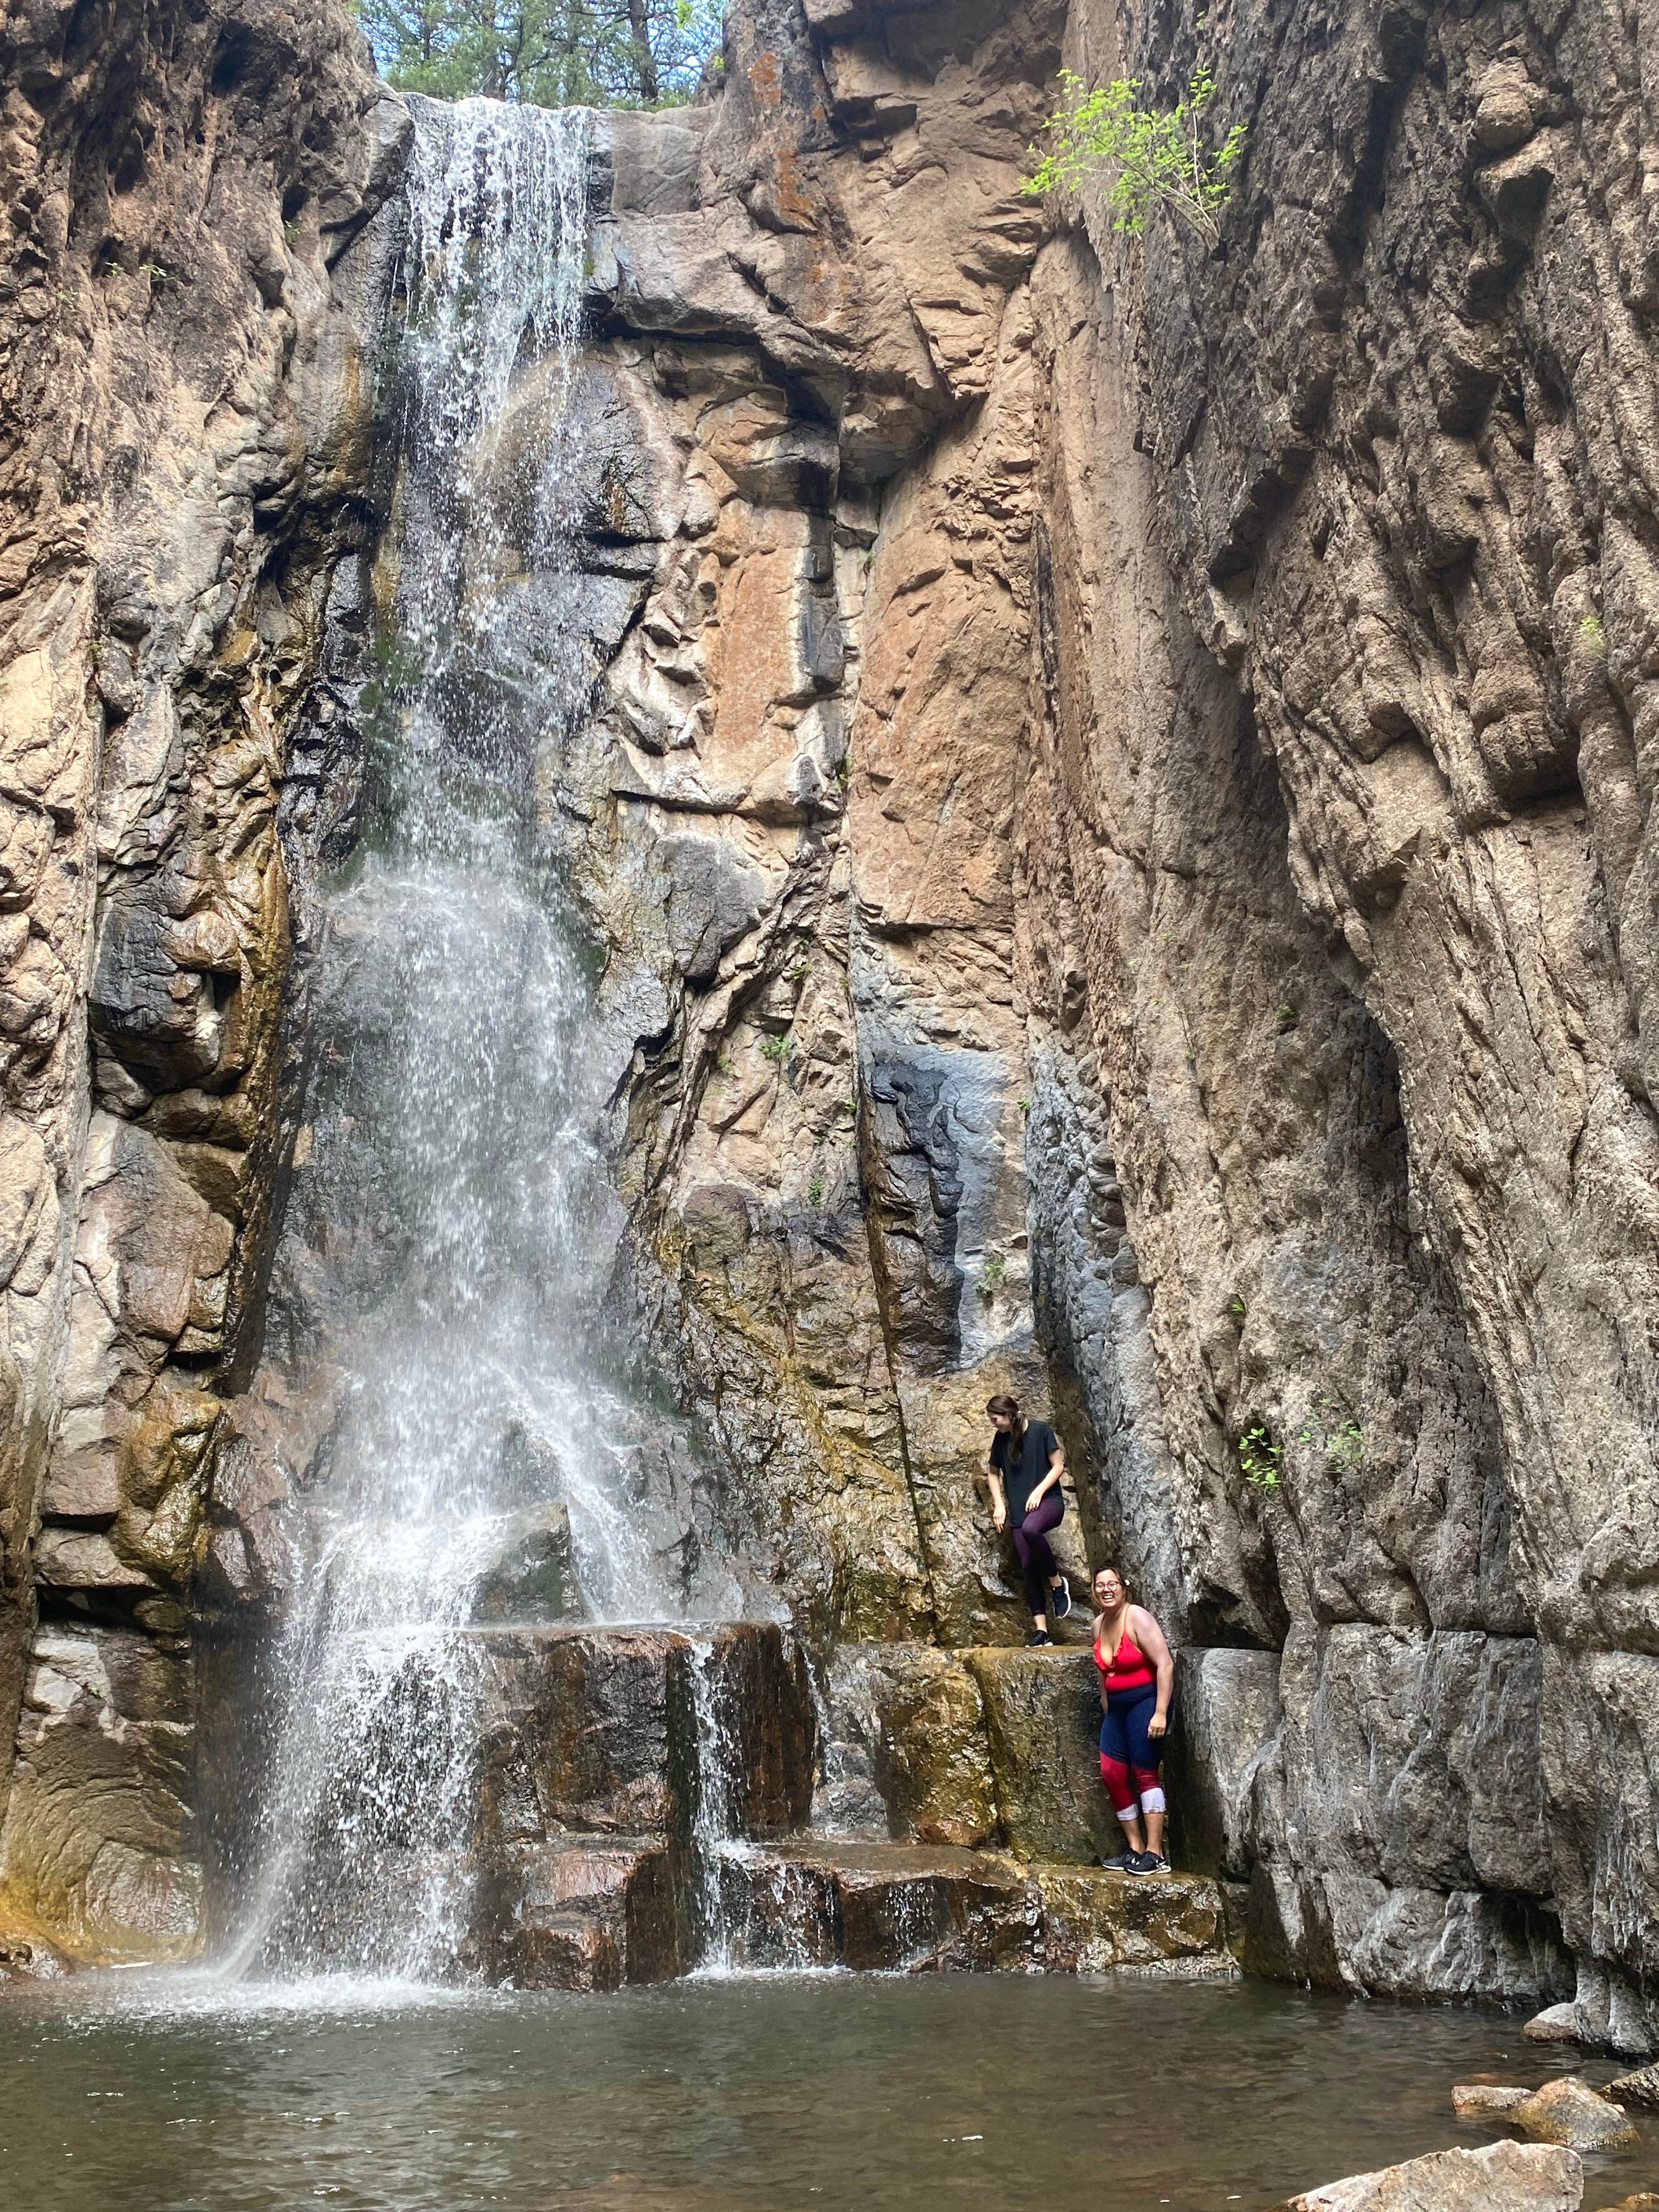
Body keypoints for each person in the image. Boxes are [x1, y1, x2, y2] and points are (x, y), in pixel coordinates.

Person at [1092, 1564, 1175, 1875]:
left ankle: (1156, 1853)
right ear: (1094, 1591)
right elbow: (1102, 1670)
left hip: (1146, 1703)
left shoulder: (1137, 1617)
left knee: (1144, 1772)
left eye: (1112, 1584)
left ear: (1123, 1588)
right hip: (1117, 1711)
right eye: (1100, 1585)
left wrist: (1161, 1712)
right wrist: (1105, 1702)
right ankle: (1135, 1848)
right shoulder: (1098, 1625)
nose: (1107, 1590)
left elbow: (1165, 1664)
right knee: (1112, 1773)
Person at [985, 1393, 1073, 1646]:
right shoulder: (1001, 1439)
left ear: (1010, 1415)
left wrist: (1039, 1491)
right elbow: (993, 1473)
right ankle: (1042, 1632)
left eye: (996, 1419)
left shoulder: (1040, 1430)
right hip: (1019, 1512)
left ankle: (1058, 1584)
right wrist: (999, 1505)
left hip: (1049, 1502)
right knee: (1028, 1566)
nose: (993, 1423)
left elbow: (1058, 1466)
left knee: (1031, 1529)